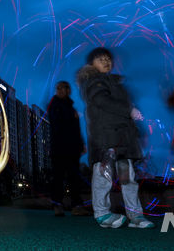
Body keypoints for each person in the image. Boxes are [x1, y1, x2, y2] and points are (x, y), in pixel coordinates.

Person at [76, 47, 154, 229]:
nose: (105, 61)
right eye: (100, 59)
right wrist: (129, 110)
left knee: (128, 179)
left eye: (107, 58)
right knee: (103, 176)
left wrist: (135, 132)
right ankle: (102, 213)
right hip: (105, 140)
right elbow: (102, 101)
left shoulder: (115, 83)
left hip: (122, 142)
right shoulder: (94, 81)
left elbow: (122, 112)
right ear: (91, 64)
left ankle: (136, 216)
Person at [47, 80, 90, 217]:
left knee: (74, 178)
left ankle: (77, 206)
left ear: (69, 91)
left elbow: (76, 129)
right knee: (58, 177)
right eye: (58, 88)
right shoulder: (54, 105)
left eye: (64, 88)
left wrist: (81, 143)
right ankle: (57, 204)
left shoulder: (71, 107)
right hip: (59, 147)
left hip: (73, 148)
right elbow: (56, 124)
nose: (61, 91)